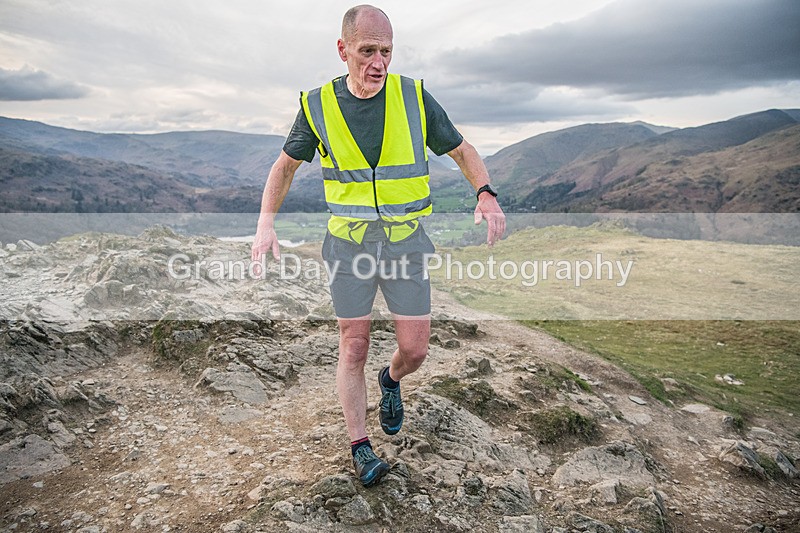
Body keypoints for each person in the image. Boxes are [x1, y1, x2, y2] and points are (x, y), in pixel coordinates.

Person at [251, 4, 505, 487]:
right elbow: (283, 168)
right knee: (354, 345)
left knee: (415, 350)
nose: (379, 62)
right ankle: (360, 446)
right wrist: (266, 225)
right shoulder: (318, 106)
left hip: (406, 244)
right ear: (343, 50)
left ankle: (390, 383)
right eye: (368, 51)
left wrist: (485, 192)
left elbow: (462, 150)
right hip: (348, 248)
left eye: (386, 51)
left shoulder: (414, 97)